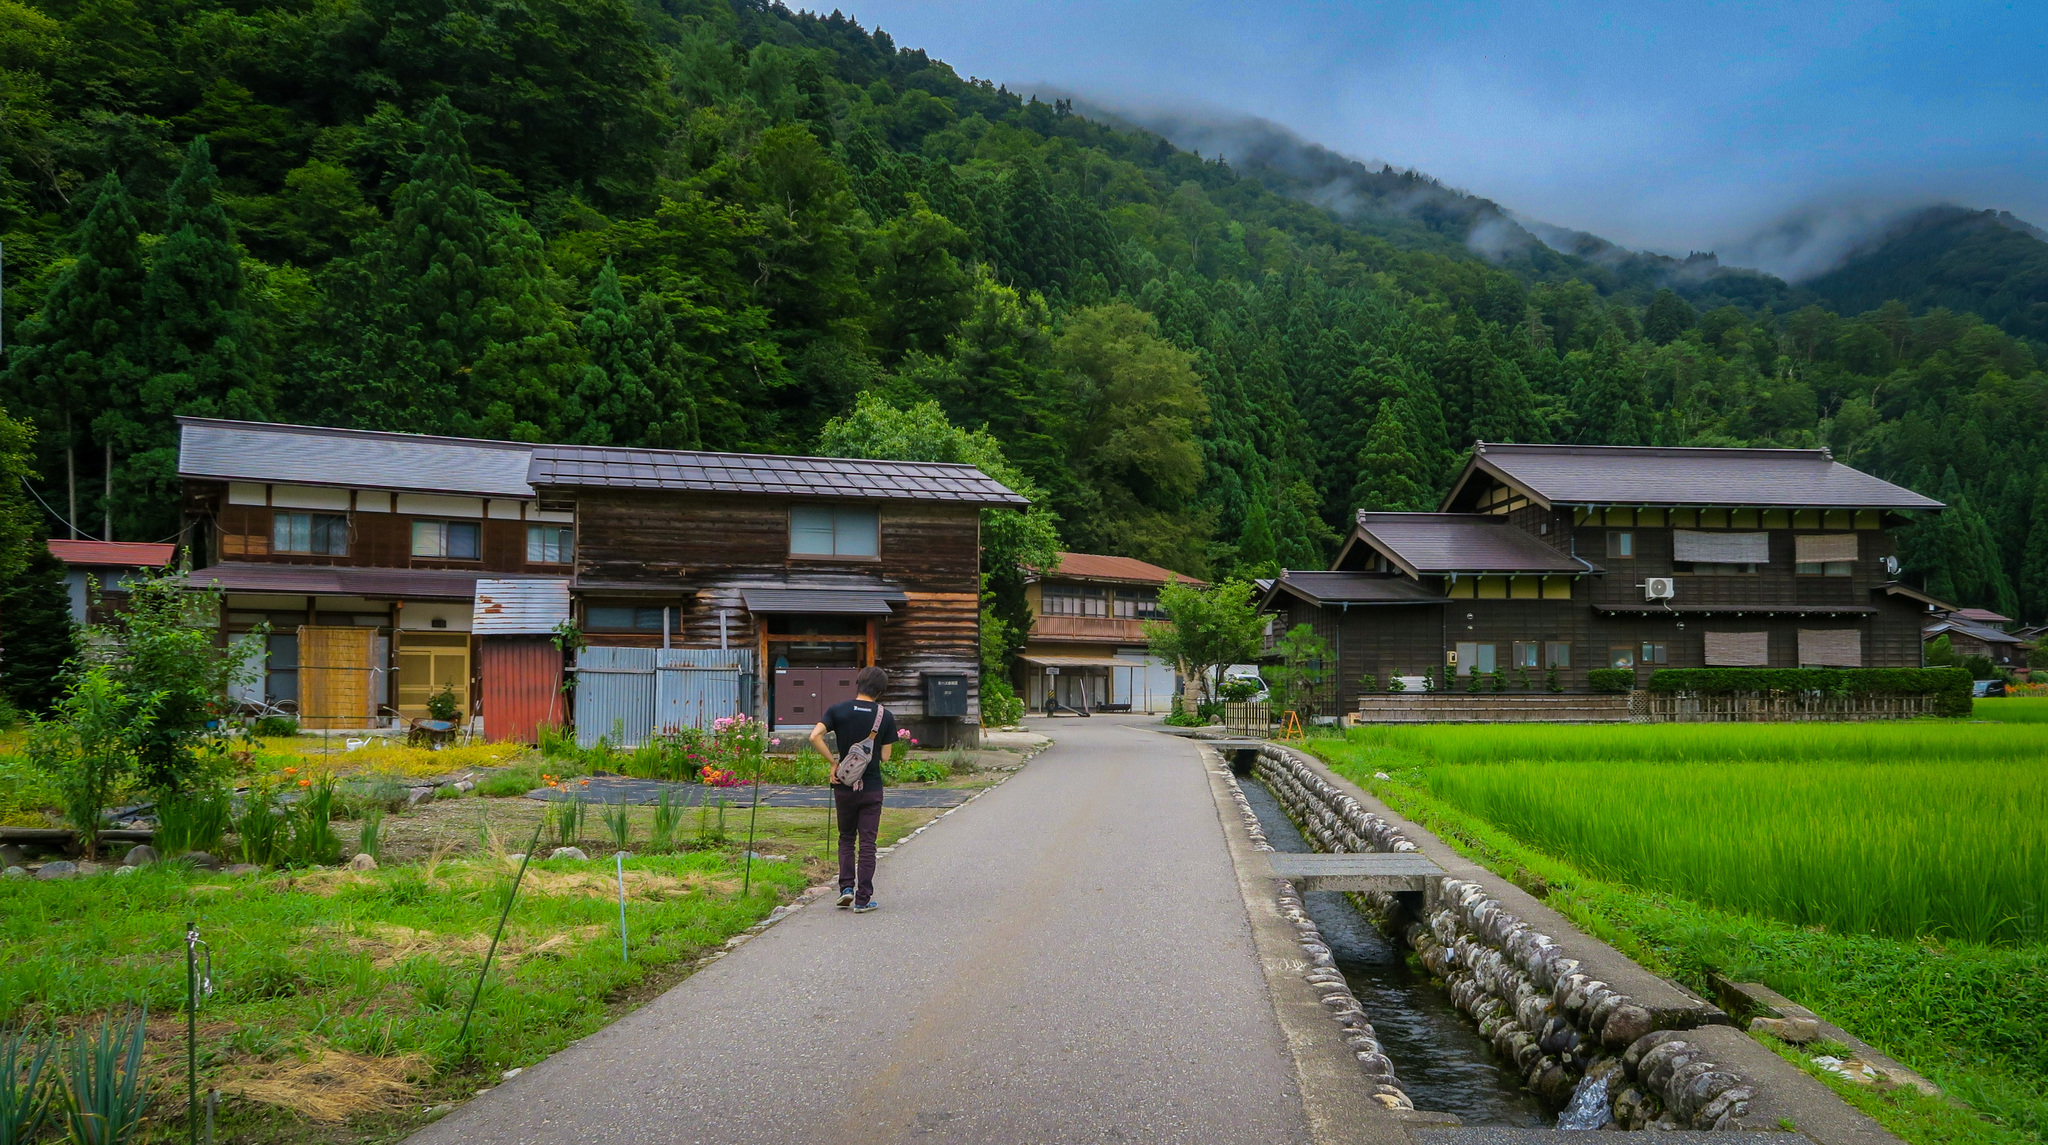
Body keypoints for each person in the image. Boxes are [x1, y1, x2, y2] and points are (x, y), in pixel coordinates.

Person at [809, 665, 897, 913]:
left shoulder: (838, 709)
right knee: (867, 843)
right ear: (880, 690)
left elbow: (814, 736)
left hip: (844, 786)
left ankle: (846, 889)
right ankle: (863, 899)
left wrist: (834, 763)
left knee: (846, 838)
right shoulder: (885, 716)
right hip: (871, 788)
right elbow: (886, 757)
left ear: (858, 683)